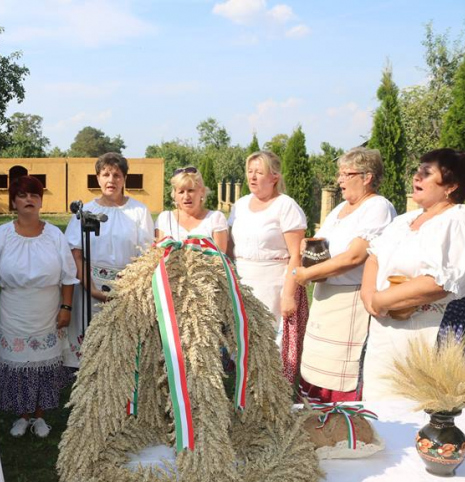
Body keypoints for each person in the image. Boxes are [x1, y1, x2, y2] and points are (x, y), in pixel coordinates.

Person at [361, 149, 465, 400]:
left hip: (429, 332)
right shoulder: (404, 220)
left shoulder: (458, 220)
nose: (416, 177)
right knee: (379, 406)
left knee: (422, 410)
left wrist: (380, 301)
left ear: (451, 186)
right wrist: (369, 296)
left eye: (426, 173)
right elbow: (374, 257)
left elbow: (439, 283)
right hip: (384, 332)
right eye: (417, 170)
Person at [292, 148, 396, 402]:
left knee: (341, 370)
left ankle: (342, 423)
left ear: (367, 177)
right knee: (317, 364)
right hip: (325, 295)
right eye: (339, 173)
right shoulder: (339, 208)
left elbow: (355, 256)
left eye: (346, 174)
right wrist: (310, 248)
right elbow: (324, 243)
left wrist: (306, 274)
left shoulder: (378, 207)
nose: (339, 180)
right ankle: (316, 418)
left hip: (351, 300)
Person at [0, 175, 77, 438]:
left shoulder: (54, 235)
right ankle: (22, 416)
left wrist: (66, 308)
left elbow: (69, 276)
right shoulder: (2, 234)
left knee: (43, 363)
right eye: (23, 195)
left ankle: (39, 417)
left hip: (47, 309)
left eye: (34, 195)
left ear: (41, 202)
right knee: (18, 361)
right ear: (14, 201)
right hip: (13, 308)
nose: (29, 200)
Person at [65, 153, 154, 365]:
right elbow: (75, 253)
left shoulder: (139, 211)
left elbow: (148, 255)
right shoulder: (86, 211)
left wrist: (127, 288)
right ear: (98, 178)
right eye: (105, 174)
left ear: (124, 179)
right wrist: (93, 289)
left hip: (126, 292)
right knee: (92, 350)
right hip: (89, 288)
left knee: (121, 353)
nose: (111, 180)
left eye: (116, 175)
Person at [228, 151, 307, 384]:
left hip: (273, 284)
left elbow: (296, 255)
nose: (252, 177)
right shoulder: (240, 206)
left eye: (259, 172)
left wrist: (289, 295)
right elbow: (230, 246)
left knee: (271, 344)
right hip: (243, 281)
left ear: (273, 177)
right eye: (249, 172)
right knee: (243, 340)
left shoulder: (285, 206)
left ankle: (272, 394)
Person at [155, 166, 228, 250]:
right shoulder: (165, 219)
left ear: (202, 191)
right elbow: (158, 255)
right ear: (175, 195)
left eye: (190, 190)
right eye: (181, 192)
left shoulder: (215, 218)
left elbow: (220, 258)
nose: (186, 196)